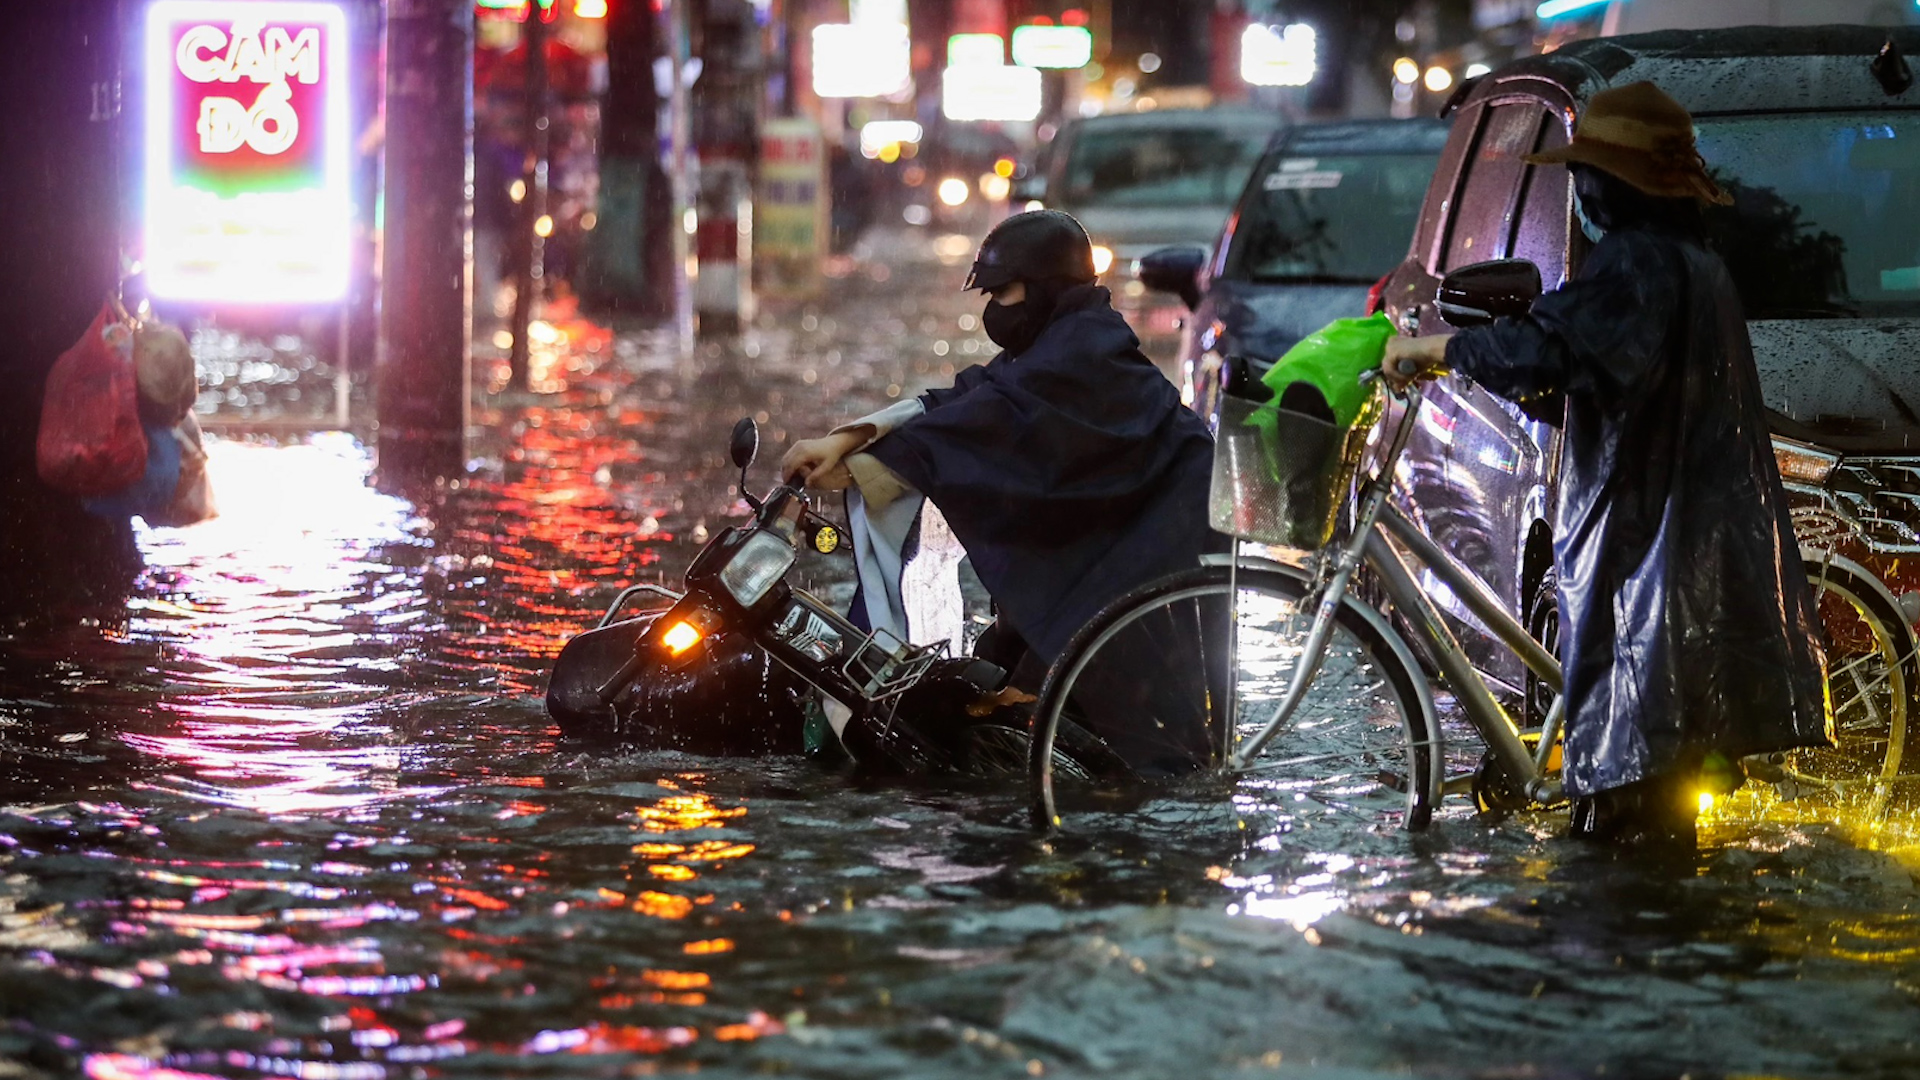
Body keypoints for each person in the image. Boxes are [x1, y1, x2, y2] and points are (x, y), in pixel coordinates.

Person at [1380, 82, 1829, 844]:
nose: (1579, 187)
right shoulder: (1689, 264)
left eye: (1586, 174)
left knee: (1633, 811)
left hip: (1645, 547)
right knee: (1654, 796)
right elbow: (1606, 377)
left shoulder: (1637, 265)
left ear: (1613, 184)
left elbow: (1553, 345)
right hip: (1675, 538)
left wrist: (1437, 348)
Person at [781, 209, 1216, 684]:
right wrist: (846, 441)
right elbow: (969, 400)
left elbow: (983, 425)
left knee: (1043, 707)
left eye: (1001, 292)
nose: (993, 308)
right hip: (1109, 556)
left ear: (1045, 285)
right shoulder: (1063, 339)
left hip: (1142, 562)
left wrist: (859, 468)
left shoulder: (1079, 357)